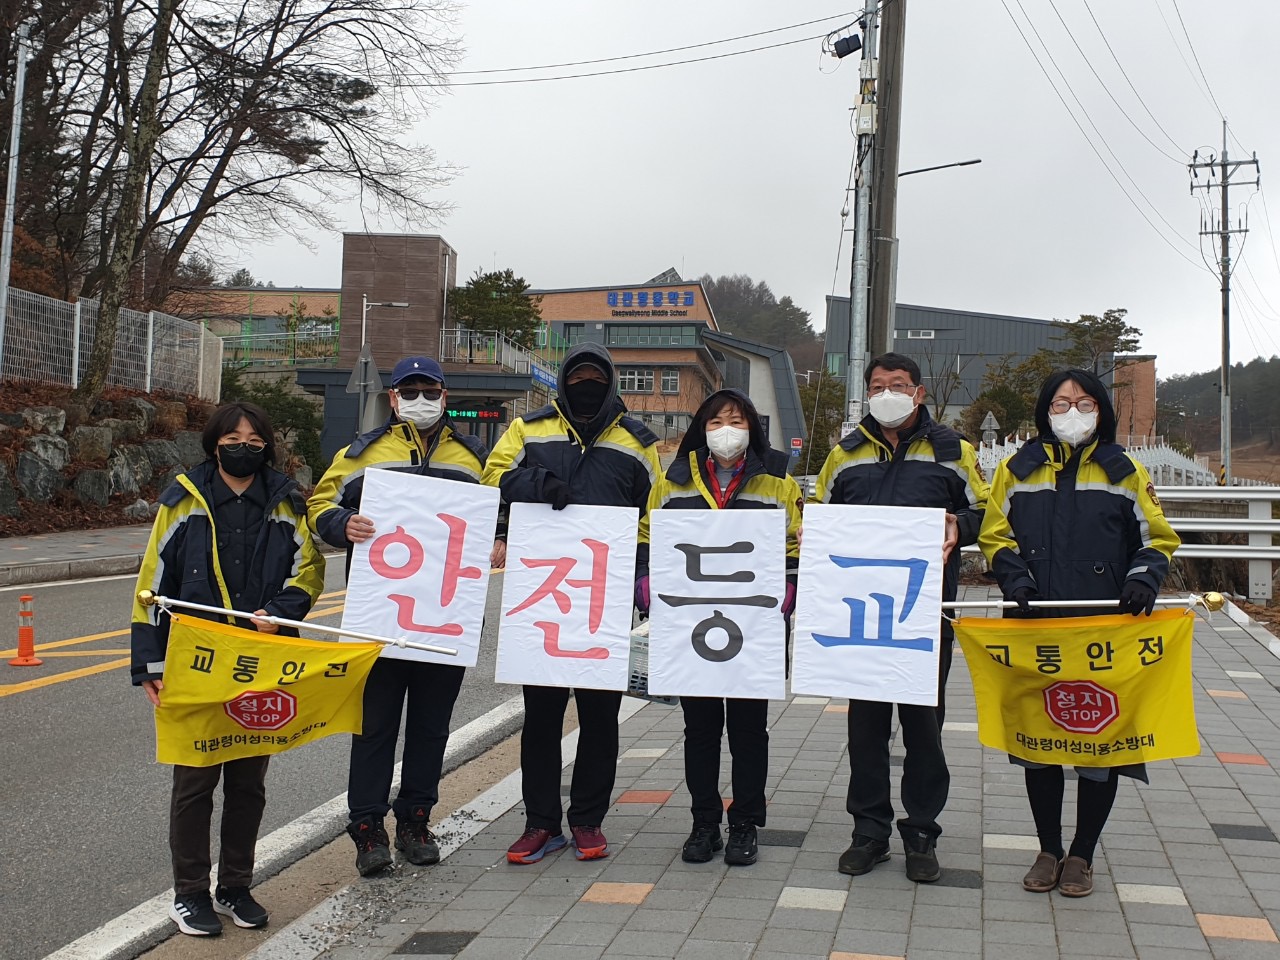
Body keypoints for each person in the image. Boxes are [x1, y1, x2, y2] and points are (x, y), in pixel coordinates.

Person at [978, 368, 1179, 898]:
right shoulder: (1016, 470)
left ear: (1101, 411)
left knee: (1098, 742)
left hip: (1103, 629)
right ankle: (1048, 849)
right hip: (1035, 626)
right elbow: (994, 534)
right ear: (1045, 411)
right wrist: (1015, 577)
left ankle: (1082, 854)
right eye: (1062, 404)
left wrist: (1142, 578)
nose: (1073, 413)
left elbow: (1157, 537)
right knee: (1040, 739)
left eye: (1085, 403)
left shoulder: (1125, 471)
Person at [131, 402, 324, 937]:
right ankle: (190, 893)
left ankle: (236, 886)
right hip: (195, 661)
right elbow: (151, 585)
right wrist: (149, 663)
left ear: (267, 446)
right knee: (194, 784)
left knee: (248, 784)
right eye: (233, 439)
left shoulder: (286, 502)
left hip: (261, 661)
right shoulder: (183, 501)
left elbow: (309, 571)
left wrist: (280, 613)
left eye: (255, 440)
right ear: (214, 444)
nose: (244, 447)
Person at [307, 355, 500, 877]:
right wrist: (341, 523)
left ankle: (415, 821)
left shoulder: (473, 458)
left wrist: (501, 538)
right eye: (408, 391)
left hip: (445, 621)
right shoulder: (362, 454)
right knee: (373, 728)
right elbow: (318, 505)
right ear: (392, 399)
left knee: (431, 729)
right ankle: (367, 828)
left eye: (429, 390)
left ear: (444, 395)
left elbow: (500, 512)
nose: (420, 399)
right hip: (380, 621)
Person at [811, 352, 988, 883]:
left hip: (924, 615)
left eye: (898, 384)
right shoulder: (844, 455)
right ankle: (869, 832)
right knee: (865, 728)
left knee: (923, 728)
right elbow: (819, 514)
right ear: (866, 394)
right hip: (860, 618)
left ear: (919, 393)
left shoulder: (954, 451)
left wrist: (961, 525)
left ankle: (921, 832)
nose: (887, 393)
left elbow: (988, 511)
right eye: (877, 386)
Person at [482, 342, 662, 864]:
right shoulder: (528, 429)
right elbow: (491, 479)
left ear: (611, 384)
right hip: (543, 600)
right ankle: (540, 823)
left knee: (600, 718)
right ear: (563, 382)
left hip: (604, 599)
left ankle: (587, 819)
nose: (587, 386)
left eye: (596, 379)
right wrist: (537, 482)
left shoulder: (637, 442)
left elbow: (655, 513)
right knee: (540, 718)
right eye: (578, 378)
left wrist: (641, 571)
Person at [635, 389, 800, 867]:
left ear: (752, 428)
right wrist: (644, 580)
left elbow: (795, 541)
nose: (726, 430)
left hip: (756, 625)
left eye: (737, 420)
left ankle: (745, 821)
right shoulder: (673, 481)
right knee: (700, 729)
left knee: (750, 730)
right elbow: (647, 535)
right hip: (692, 627)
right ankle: (704, 821)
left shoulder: (778, 481)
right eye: (715, 421)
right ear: (701, 429)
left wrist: (791, 586)